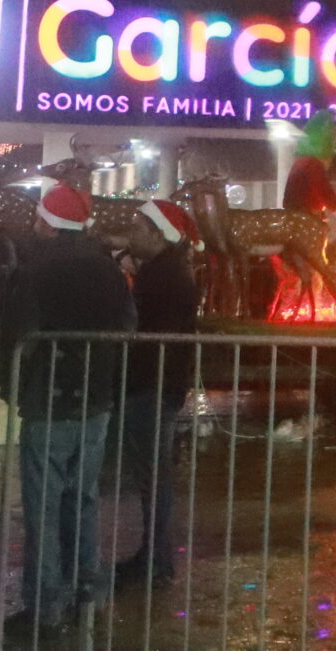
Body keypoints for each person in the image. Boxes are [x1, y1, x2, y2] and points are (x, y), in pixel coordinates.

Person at [0, 181, 135, 641]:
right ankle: (86, 591)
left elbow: (21, 334)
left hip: (50, 400)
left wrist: (14, 387)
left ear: (47, 223)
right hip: (96, 401)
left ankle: (45, 605)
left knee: (44, 507)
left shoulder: (35, 271)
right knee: (83, 498)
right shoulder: (108, 270)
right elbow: (127, 325)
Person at [113, 200, 200, 590]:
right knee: (152, 475)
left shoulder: (163, 276)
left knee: (153, 475)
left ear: (156, 234)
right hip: (158, 383)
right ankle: (154, 554)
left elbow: (141, 329)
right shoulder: (168, 272)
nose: (130, 236)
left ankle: (156, 558)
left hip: (151, 384)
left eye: (137, 229)